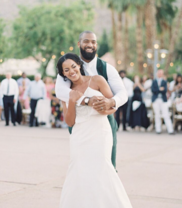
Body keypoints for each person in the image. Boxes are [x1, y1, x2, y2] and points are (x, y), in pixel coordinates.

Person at [57, 53, 132, 208]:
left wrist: (105, 109)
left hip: (100, 132)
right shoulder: (66, 91)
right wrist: (72, 100)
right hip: (79, 135)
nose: (71, 71)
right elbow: (70, 121)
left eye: (73, 66)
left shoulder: (97, 80)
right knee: (78, 169)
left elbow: (112, 106)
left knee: (102, 168)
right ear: (63, 74)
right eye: (66, 70)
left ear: (79, 65)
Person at [55, 31, 128, 169]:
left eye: (93, 42)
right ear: (79, 44)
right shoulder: (68, 66)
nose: (90, 45)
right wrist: (88, 101)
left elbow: (123, 93)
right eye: (86, 41)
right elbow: (61, 92)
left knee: (107, 167)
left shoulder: (107, 69)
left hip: (103, 124)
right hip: (80, 126)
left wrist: (110, 102)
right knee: (81, 167)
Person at [151, 69, 174, 134]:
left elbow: (165, 90)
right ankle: (158, 129)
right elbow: (153, 90)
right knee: (157, 114)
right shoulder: (154, 81)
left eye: (161, 73)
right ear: (157, 73)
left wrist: (158, 89)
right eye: (159, 73)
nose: (160, 74)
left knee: (166, 114)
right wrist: (159, 89)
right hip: (156, 100)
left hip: (163, 100)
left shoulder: (164, 81)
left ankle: (170, 130)